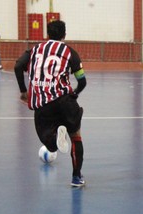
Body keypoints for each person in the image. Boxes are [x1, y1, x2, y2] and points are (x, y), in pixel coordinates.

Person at [14, 20, 87, 186]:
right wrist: (74, 95)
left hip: (43, 104)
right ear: (64, 35)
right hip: (65, 101)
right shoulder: (70, 52)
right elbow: (82, 81)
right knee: (76, 137)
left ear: (47, 34)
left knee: (51, 145)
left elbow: (18, 66)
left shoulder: (35, 50)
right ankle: (76, 177)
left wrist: (23, 91)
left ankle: (55, 140)